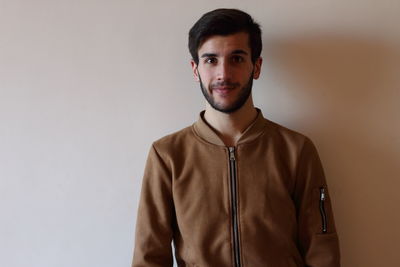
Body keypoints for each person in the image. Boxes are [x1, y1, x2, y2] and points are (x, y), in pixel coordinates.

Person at [132, 8, 340, 267]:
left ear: (257, 66)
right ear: (195, 69)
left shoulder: (296, 150)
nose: (223, 74)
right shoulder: (167, 155)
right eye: (211, 60)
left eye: (237, 59)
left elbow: (321, 251)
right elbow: (149, 258)